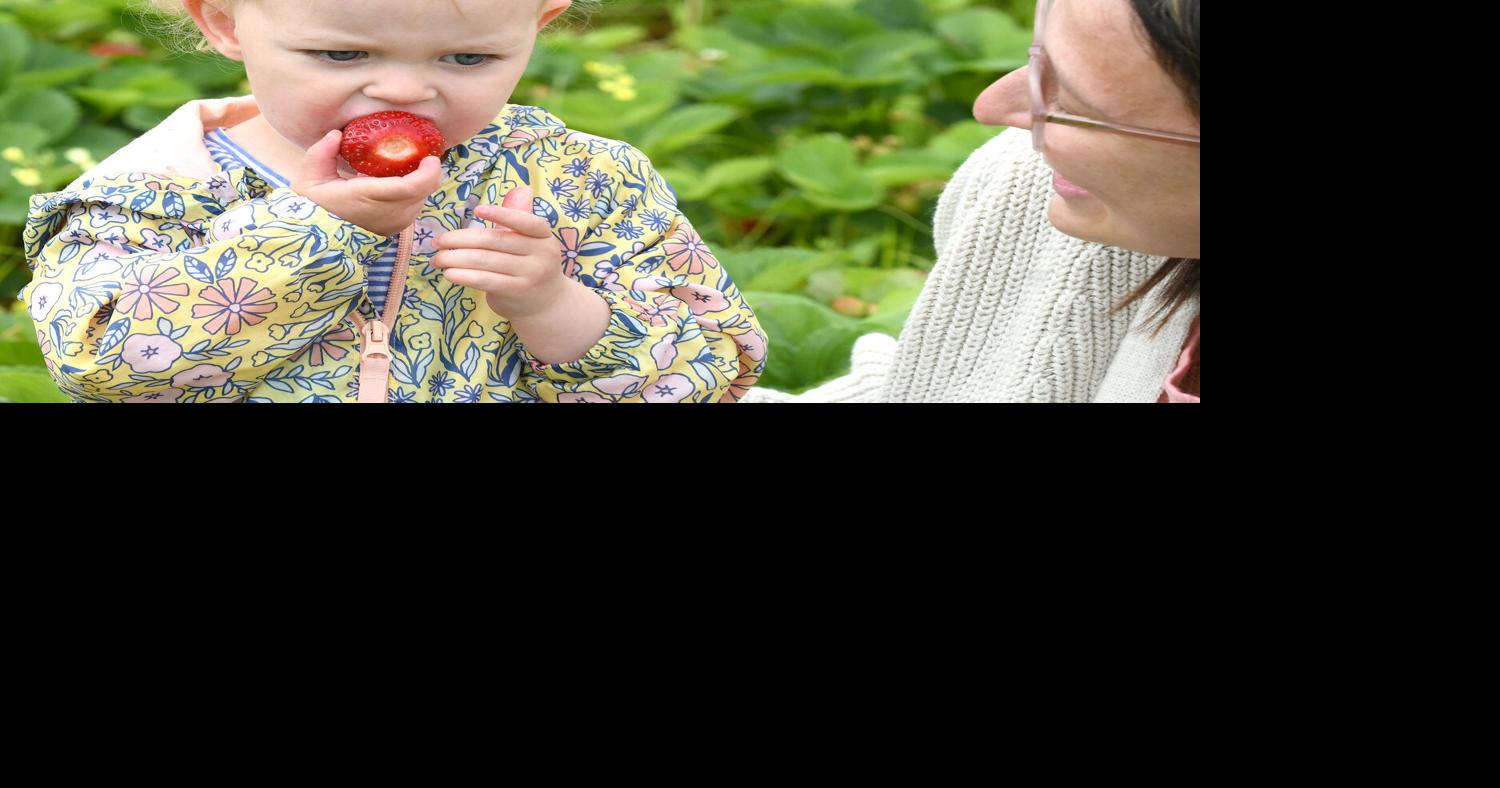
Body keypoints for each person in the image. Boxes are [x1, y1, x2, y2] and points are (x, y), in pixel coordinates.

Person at [18, 0, 767, 403]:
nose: (405, 91)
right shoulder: (153, 190)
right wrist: (312, 236)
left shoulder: (583, 180)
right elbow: (105, 366)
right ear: (224, 22)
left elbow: (711, 375)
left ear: (536, 23)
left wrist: (554, 306)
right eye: (342, 53)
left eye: (468, 57)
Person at [743, 0, 1199, 403]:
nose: (992, 106)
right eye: (1038, 56)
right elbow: (931, 386)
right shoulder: (1036, 188)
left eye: (1073, 103)